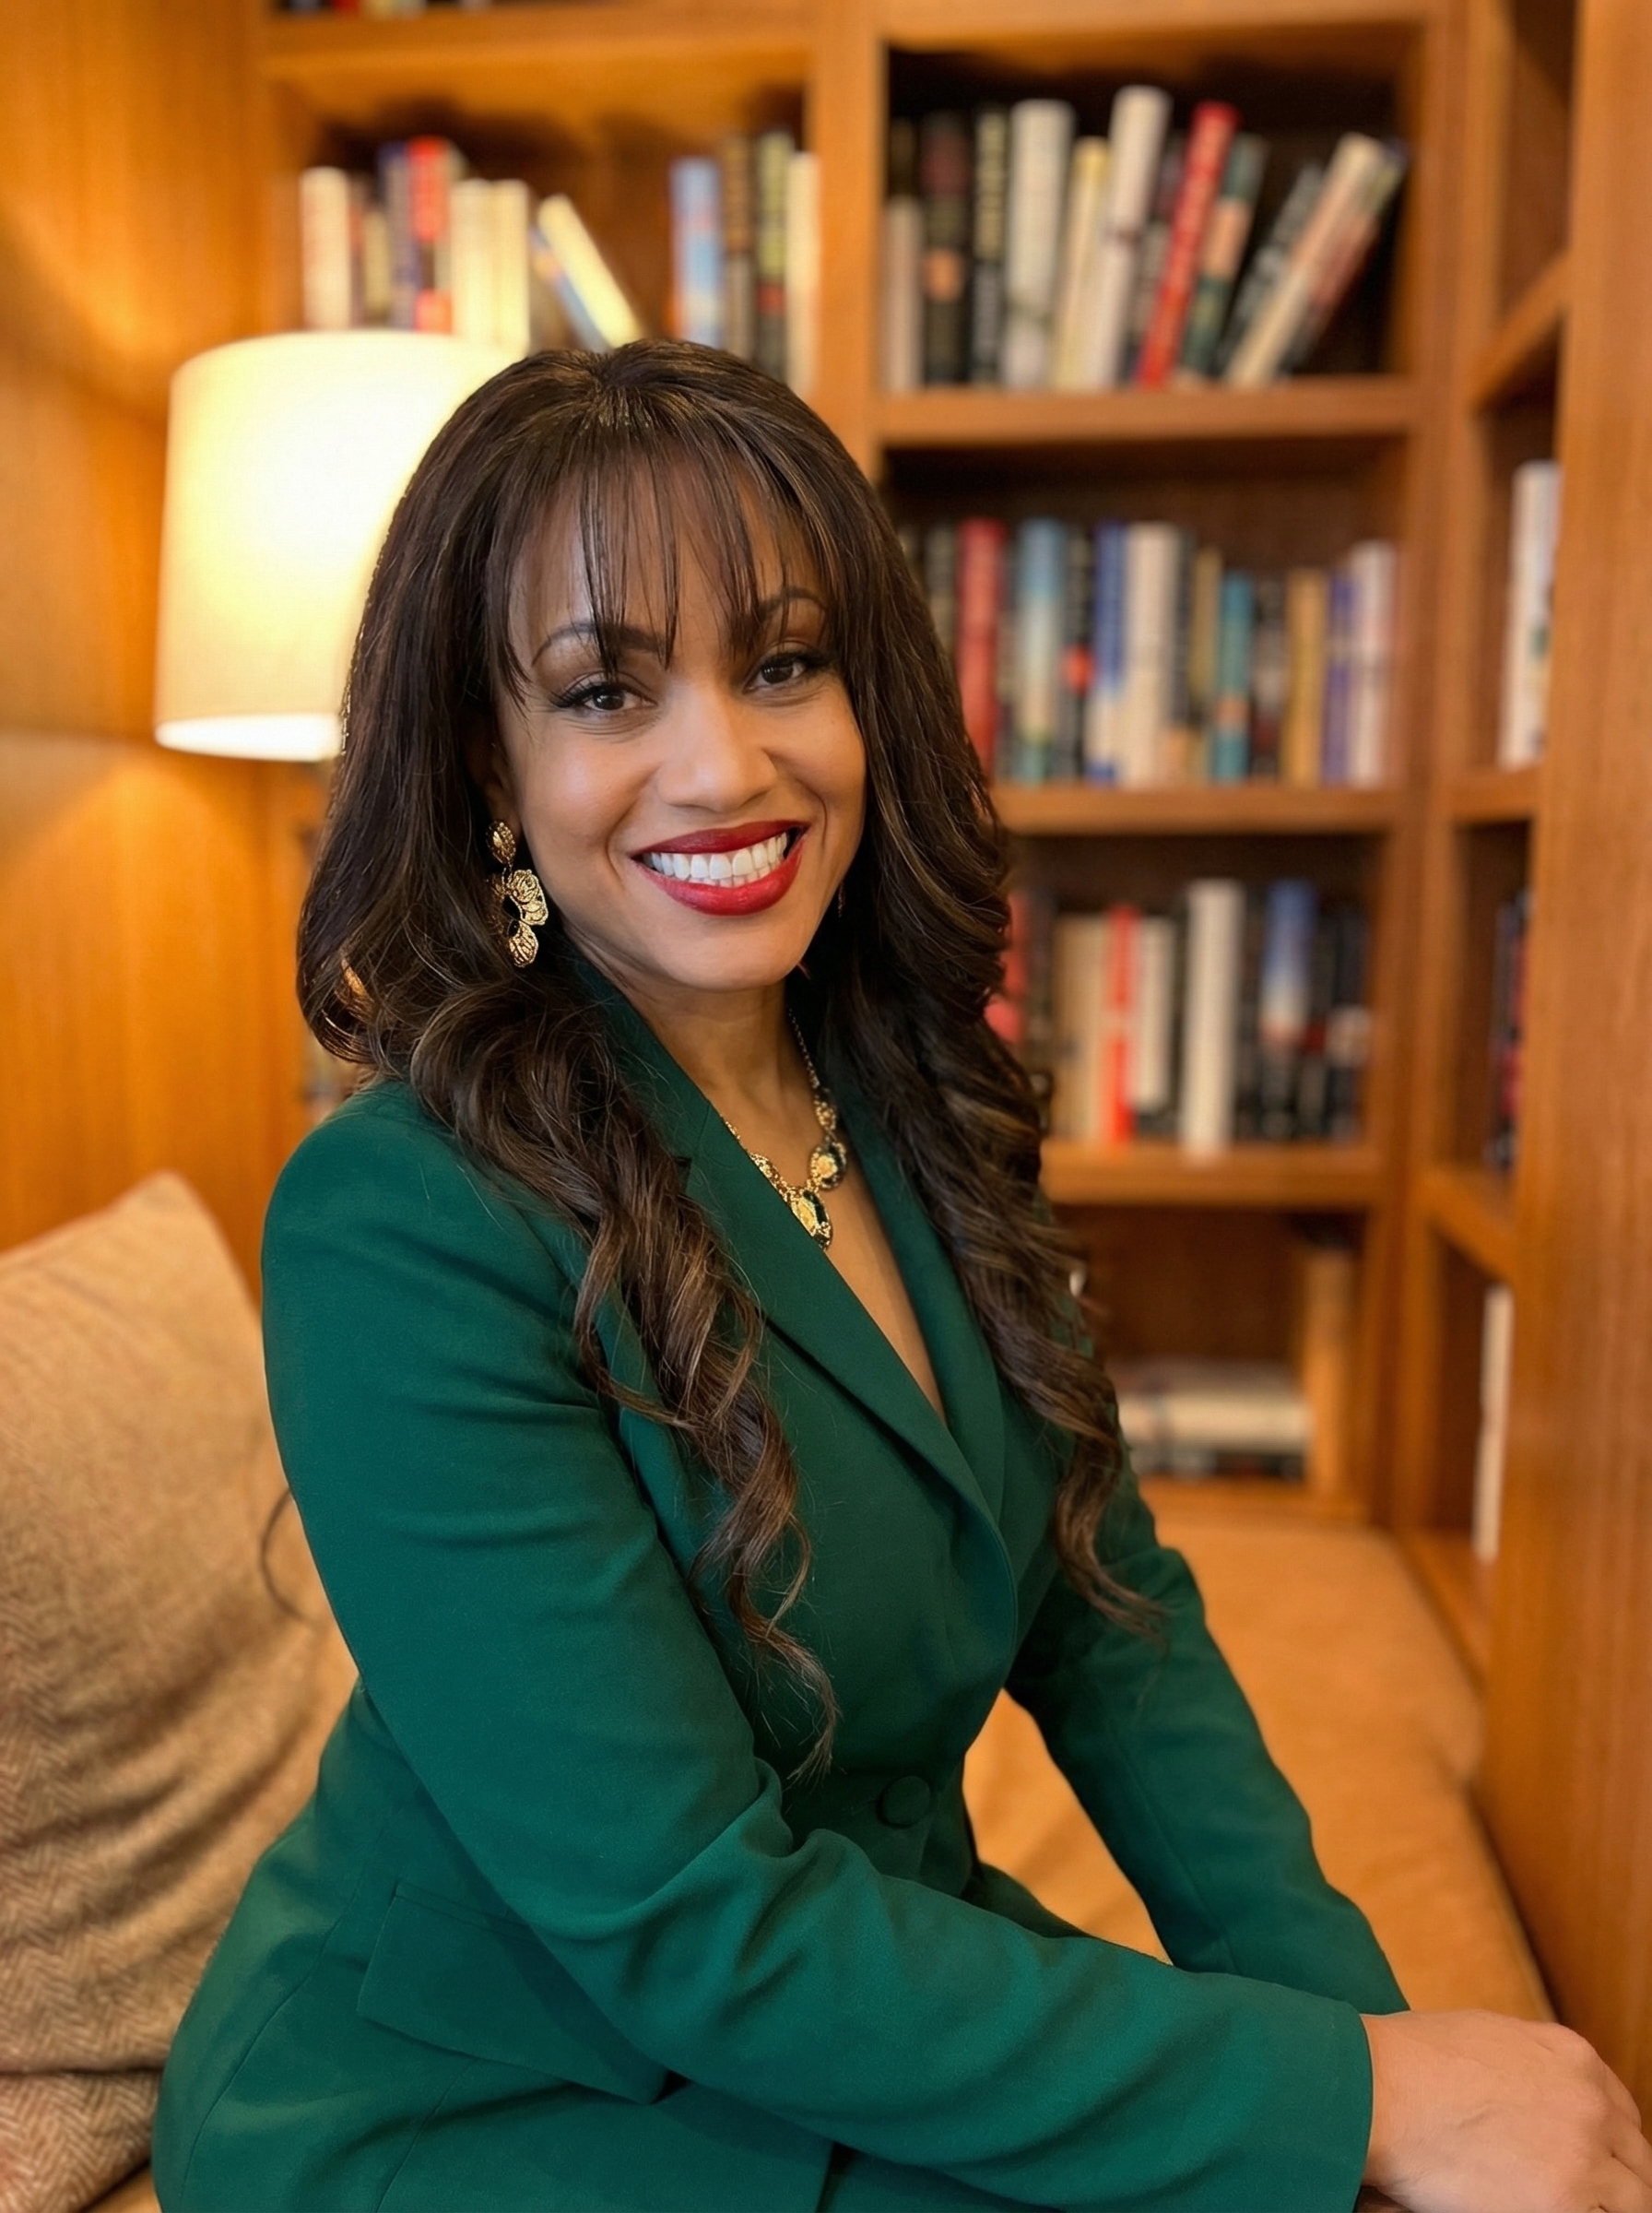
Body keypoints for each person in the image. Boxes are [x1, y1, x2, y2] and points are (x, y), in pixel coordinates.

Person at [154, 342, 1651, 2213]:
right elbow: (685, 1921)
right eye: (605, 690)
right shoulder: (397, 1222)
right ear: (488, 762)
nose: (725, 762)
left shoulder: (913, 1096)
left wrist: (1377, 2059)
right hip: (490, 2095)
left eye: (782, 660)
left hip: (864, 1993)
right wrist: (1352, 2102)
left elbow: (1116, 1632)